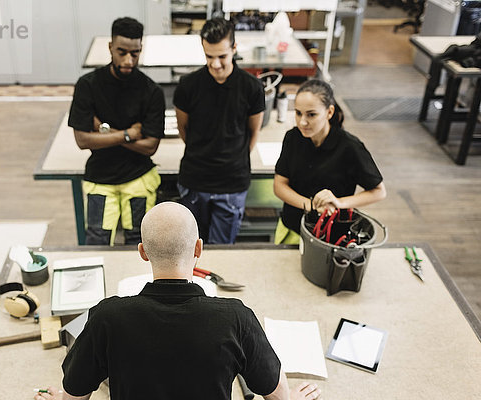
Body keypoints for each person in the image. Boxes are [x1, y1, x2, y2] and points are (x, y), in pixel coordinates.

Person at [34, 202, 322, 400]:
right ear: (199, 248)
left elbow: (74, 393)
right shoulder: (236, 318)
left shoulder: (107, 317)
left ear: (143, 252)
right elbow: (274, 389)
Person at [68, 17, 165, 245]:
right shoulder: (88, 85)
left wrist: (103, 132)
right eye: (122, 52)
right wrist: (128, 134)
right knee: (97, 244)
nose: (129, 60)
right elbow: (82, 140)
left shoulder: (152, 91)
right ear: (110, 47)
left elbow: (150, 146)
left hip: (138, 178)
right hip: (100, 179)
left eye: (135, 53)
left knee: (139, 244)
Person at [173, 17, 265, 244]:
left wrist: (233, 157)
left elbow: (253, 133)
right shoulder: (188, 86)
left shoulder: (251, 88)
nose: (215, 64)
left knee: (221, 253)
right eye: (209, 57)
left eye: (222, 56)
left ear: (234, 48)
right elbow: (183, 128)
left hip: (232, 184)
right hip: (194, 182)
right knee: (189, 250)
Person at [273, 79, 386, 244]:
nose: (302, 122)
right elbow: (279, 185)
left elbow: (378, 191)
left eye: (311, 114)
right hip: (291, 229)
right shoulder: (293, 138)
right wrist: (313, 205)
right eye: (298, 113)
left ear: (329, 112)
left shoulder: (349, 147)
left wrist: (339, 203)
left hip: (331, 238)